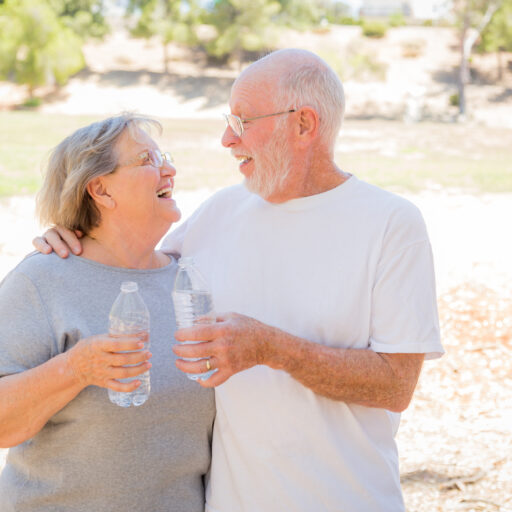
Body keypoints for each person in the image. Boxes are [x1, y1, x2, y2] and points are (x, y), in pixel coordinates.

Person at [34, 49, 443, 511]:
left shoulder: (391, 224)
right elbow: (129, 262)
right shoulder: (220, 211)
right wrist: (72, 235)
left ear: (303, 125)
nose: (228, 139)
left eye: (243, 121)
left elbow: (395, 386)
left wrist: (271, 349)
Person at [0, 114, 215, 512]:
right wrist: (75, 369)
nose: (170, 168)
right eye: (147, 160)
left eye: (163, 156)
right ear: (100, 189)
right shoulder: (42, 279)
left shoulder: (188, 280)